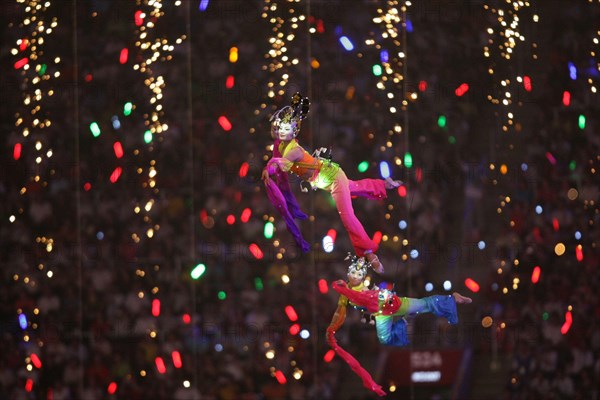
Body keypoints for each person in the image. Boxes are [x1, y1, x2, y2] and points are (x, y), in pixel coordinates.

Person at [262, 93, 401, 273]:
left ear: (293, 131)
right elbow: (276, 156)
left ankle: (369, 253)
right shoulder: (280, 146)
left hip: (331, 176)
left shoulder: (293, 150)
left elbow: (280, 164)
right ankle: (384, 185)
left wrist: (269, 168)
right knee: (354, 187)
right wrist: (269, 166)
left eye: (285, 129)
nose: (280, 131)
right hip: (325, 179)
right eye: (279, 128)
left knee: (347, 216)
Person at [326, 253, 472, 396]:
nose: (355, 276)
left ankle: (452, 298)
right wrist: (332, 328)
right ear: (348, 273)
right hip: (382, 312)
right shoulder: (345, 293)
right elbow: (340, 311)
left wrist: (373, 262)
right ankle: (407, 319)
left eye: (359, 274)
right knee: (385, 338)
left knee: (421, 305)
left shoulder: (359, 290)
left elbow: (370, 293)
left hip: (387, 302)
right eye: (353, 273)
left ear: (363, 277)